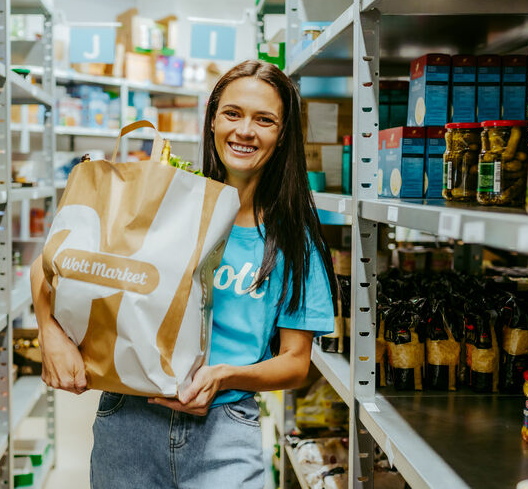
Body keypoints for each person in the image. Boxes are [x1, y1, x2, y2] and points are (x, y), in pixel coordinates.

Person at [29, 59, 336, 488]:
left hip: (225, 431)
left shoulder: (291, 239)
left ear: (282, 135)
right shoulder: (164, 203)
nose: (245, 131)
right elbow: (52, 266)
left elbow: (296, 363)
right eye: (233, 113)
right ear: (212, 120)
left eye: (264, 120)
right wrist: (50, 334)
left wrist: (224, 376)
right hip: (129, 419)